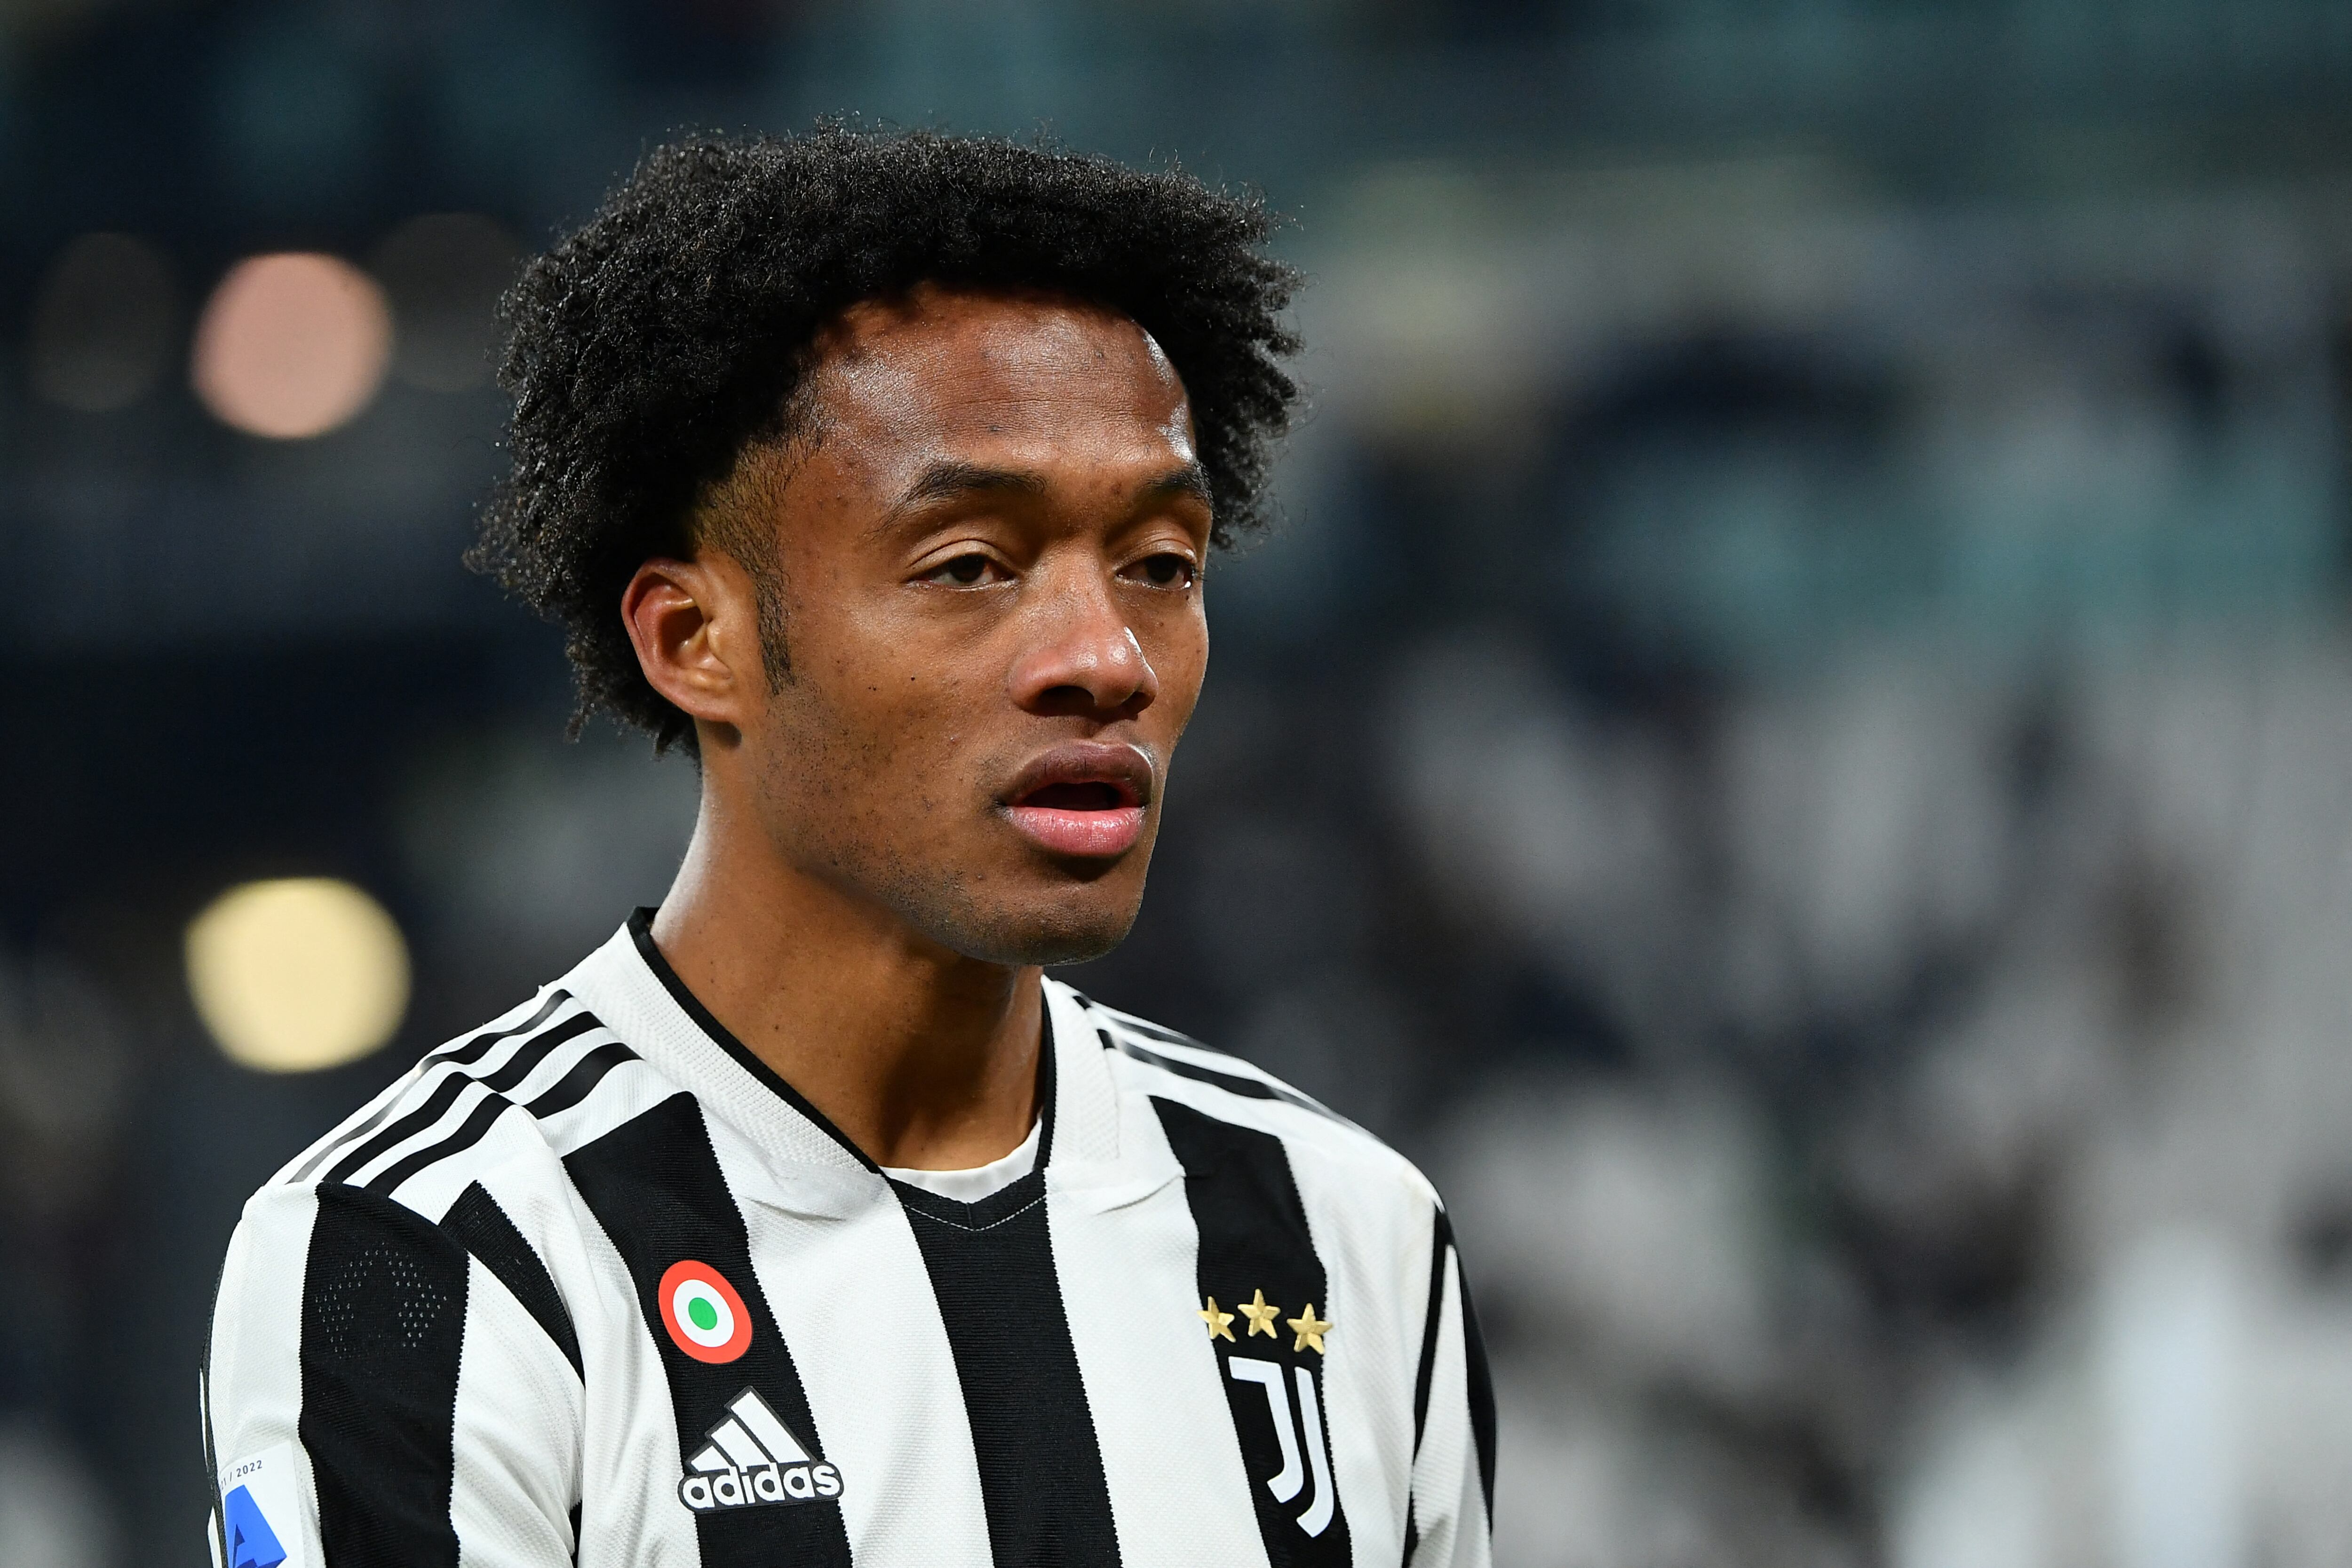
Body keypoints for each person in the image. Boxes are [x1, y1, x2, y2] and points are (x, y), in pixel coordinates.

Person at [202, 127, 1494, 1568]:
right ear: (698, 640)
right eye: (971, 567)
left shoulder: (1345, 1236)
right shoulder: (437, 1253)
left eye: (1161, 566)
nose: (1107, 658)